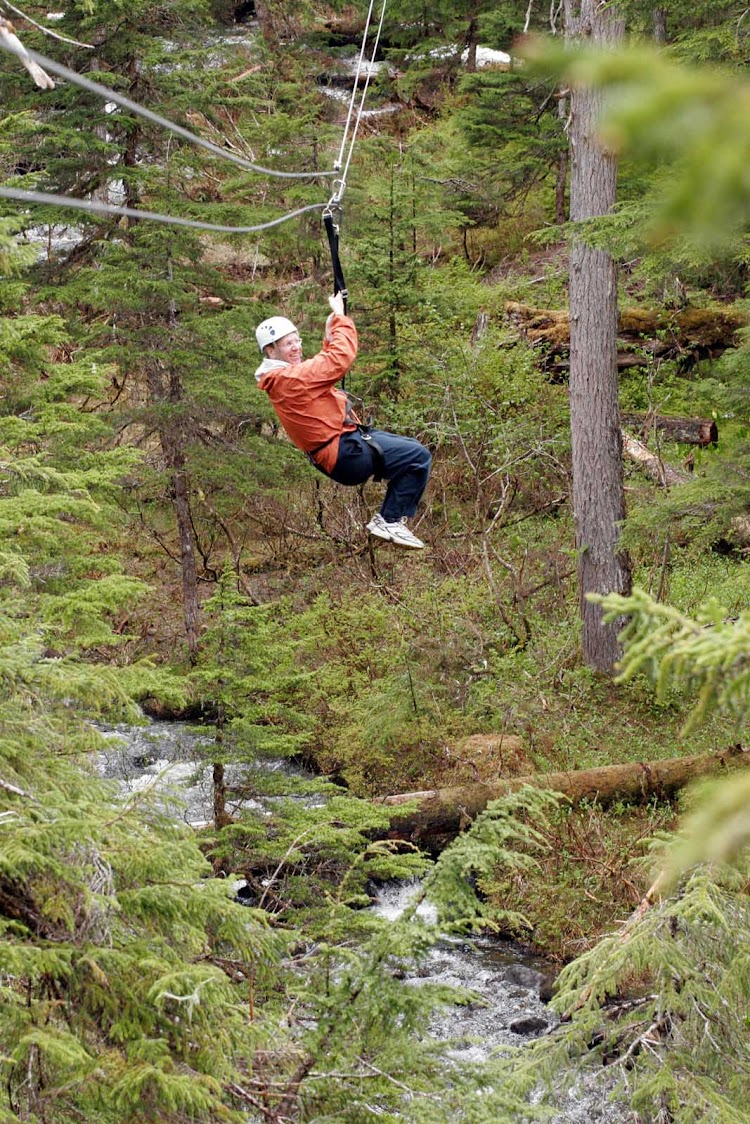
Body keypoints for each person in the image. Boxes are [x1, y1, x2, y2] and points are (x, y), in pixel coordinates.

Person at [255, 293, 432, 549]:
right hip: (346, 453)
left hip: (345, 450)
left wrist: (328, 335)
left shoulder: (283, 377)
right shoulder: (288, 379)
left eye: (297, 341)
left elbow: (318, 370)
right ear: (271, 351)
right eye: (287, 344)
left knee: (413, 452)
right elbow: (337, 360)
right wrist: (340, 319)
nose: (297, 347)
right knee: (417, 456)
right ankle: (390, 519)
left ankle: (390, 518)